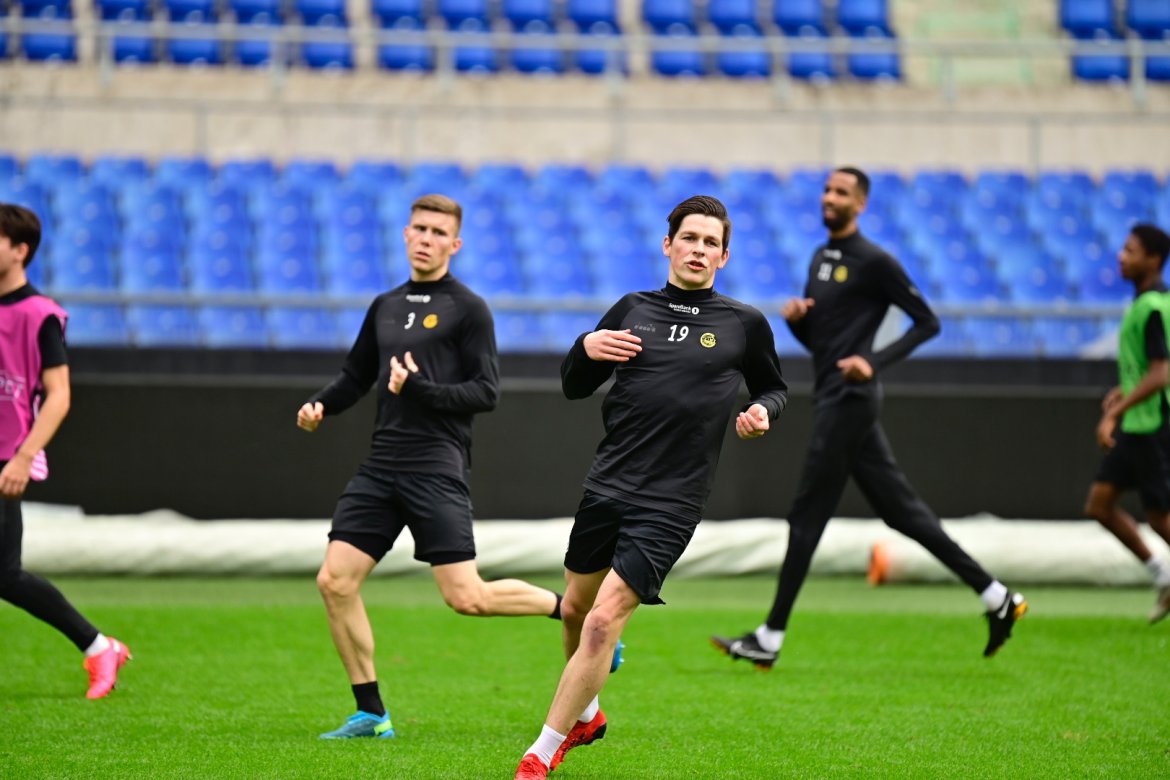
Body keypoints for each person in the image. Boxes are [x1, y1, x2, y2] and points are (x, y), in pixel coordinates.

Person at [297, 194, 620, 741]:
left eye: (438, 232)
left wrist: (417, 388)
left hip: (435, 467)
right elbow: (356, 375)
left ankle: (569, 610)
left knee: (466, 598)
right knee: (334, 581)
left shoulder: (469, 309)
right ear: (406, 234)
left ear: (455, 243)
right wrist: (321, 404)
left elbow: (486, 392)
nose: (427, 239)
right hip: (381, 465)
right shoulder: (385, 305)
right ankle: (372, 714)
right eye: (419, 229)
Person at [513, 195, 789, 780]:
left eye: (711, 243)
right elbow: (574, 385)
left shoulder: (743, 324)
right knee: (575, 609)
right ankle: (586, 715)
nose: (699, 250)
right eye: (689, 238)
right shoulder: (632, 308)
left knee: (602, 621)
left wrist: (763, 410)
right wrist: (584, 347)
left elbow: (774, 387)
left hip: (673, 499)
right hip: (609, 483)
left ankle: (541, 752)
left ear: (724, 256)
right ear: (668, 245)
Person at [710, 167, 1026, 671]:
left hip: (851, 400)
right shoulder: (821, 257)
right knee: (902, 513)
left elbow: (927, 322)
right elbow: (823, 344)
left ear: (860, 204)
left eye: (842, 192)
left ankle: (769, 637)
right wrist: (800, 325)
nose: (830, 197)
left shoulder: (876, 261)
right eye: (827, 189)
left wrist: (873, 362)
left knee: (806, 516)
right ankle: (998, 596)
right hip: (835, 395)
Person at [0, 203, 131, 699]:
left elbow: (59, 396)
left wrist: (22, 456)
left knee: (5, 575)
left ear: (20, 250)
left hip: (7, 455)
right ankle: (99, 647)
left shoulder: (40, 315)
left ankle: (99, 646)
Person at [1083, 223, 1170, 623]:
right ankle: (1163, 575)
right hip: (1138, 423)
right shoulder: (1144, 304)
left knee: (1160, 517)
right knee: (1100, 505)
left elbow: (1161, 374)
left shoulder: (1153, 308)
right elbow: (1152, 368)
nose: (1121, 256)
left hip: (1152, 425)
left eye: (1131, 250)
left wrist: (1113, 413)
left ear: (1153, 259)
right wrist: (1124, 390)